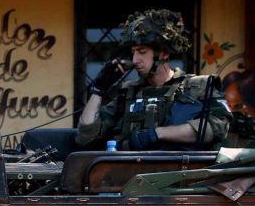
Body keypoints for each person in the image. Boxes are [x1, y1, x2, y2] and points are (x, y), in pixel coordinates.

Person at [78, 9, 230, 151]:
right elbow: (85, 138)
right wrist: (98, 90)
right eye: (133, 53)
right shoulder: (128, 93)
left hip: (183, 174)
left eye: (142, 52)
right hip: (128, 174)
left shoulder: (198, 86)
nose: (135, 60)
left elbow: (218, 127)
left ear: (163, 54)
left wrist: (157, 133)